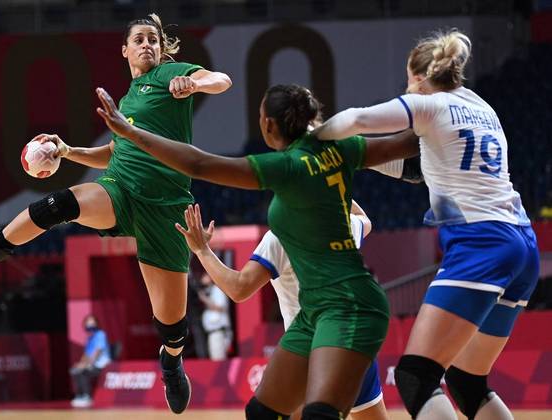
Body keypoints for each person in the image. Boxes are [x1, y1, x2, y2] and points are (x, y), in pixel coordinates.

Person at [0, 13, 232, 414]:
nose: (147, 45)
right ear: (125, 50)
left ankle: (172, 360)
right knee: (59, 204)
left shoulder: (172, 76)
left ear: (162, 49)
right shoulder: (127, 100)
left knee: (173, 326)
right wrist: (67, 151)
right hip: (120, 188)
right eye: (139, 39)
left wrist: (194, 82)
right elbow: (115, 153)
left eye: (153, 39)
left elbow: (222, 80)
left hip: (166, 207)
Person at [95, 83, 419, 419]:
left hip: (347, 309)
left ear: (269, 126)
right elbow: (404, 147)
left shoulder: (288, 170)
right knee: (263, 413)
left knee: (318, 415)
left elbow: (199, 164)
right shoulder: (340, 153)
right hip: (315, 317)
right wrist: (440, 114)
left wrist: (130, 132)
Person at [314, 30, 539, 420]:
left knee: (416, 376)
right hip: (521, 242)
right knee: (468, 382)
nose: (406, 87)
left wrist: (314, 139)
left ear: (418, 78)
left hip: (481, 243)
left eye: (407, 79)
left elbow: (358, 120)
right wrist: (349, 158)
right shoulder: (483, 107)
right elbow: (421, 170)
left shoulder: (427, 105)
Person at [177, 201, 388, 420]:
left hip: (308, 347)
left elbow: (239, 289)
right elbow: (365, 220)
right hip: (353, 338)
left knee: (266, 413)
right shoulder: (342, 225)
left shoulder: (279, 236)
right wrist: (335, 187)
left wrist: (202, 250)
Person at [70, 315, 111, 408]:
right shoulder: (89, 338)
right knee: (75, 371)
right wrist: (81, 364)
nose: (90, 324)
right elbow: (86, 355)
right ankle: (80, 395)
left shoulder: (101, 334)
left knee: (83, 372)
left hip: (102, 365)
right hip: (92, 364)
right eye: (88, 322)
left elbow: (97, 352)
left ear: (96, 324)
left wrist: (86, 365)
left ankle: (87, 396)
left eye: (92, 322)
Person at [197, 273, 232, 361]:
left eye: (205, 276)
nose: (203, 278)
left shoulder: (217, 289)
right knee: (215, 359)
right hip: (213, 332)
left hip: (218, 331)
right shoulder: (210, 291)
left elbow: (220, 308)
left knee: (218, 360)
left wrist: (204, 299)